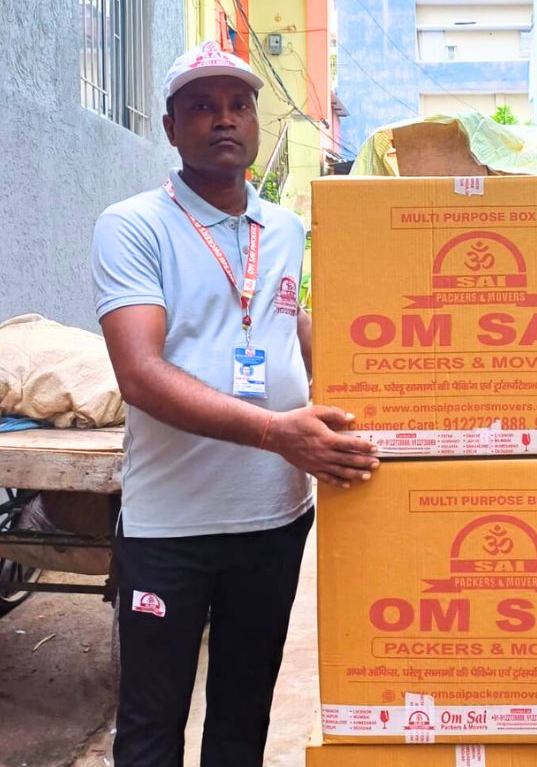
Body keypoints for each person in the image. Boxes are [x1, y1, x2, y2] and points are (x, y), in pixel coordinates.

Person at [92, 41, 379, 766]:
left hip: (272, 522)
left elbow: (286, 322)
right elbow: (140, 372)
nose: (224, 119)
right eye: (201, 106)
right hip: (170, 529)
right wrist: (278, 432)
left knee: (242, 721)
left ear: (255, 121)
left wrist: (372, 394)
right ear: (169, 127)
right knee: (152, 727)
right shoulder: (133, 225)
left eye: (238, 105)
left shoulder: (283, 229)